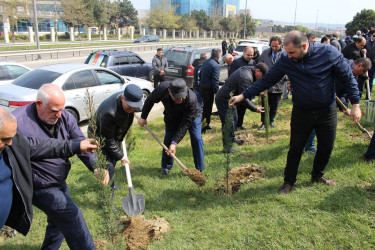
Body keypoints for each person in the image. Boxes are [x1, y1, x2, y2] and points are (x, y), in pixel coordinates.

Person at [230, 30, 361, 195]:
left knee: (326, 147)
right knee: (295, 148)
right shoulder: (286, 59)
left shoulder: (328, 53)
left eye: (292, 52)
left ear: (305, 46)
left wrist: (355, 104)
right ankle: (288, 182)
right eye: (287, 52)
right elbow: (267, 79)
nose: (289, 56)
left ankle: (317, 175)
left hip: (326, 111)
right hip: (302, 112)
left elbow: (348, 77)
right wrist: (243, 95)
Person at [12, 84, 104, 249]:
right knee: (72, 216)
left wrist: (95, 165)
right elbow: (41, 147)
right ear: (39, 104)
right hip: (38, 186)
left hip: (59, 180)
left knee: (57, 223)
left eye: (61, 109)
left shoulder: (65, 117)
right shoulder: (19, 123)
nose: (59, 114)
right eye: (54, 110)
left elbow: (80, 141)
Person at [0, 107, 98, 237]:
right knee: (69, 216)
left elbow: (40, 145)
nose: (11, 143)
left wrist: (76, 146)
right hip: (42, 185)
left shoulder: (11, 143)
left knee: (59, 221)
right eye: (5, 139)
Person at [138, 78, 204, 175]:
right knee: (168, 138)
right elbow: (150, 100)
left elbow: (185, 124)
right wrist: (143, 117)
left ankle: (199, 169)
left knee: (197, 138)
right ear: (170, 92)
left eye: (182, 96)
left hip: (192, 117)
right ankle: (166, 167)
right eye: (177, 97)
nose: (180, 99)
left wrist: (175, 142)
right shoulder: (162, 89)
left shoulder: (191, 99)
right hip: (172, 116)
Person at [89, 84, 143, 187]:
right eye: (129, 107)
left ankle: (111, 185)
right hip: (100, 137)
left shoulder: (128, 99)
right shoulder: (109, 113)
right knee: (107, 166)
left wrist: (119, 143)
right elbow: (107, 140)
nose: (131, 109)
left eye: (134, 107)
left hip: (112, 134)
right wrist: (121, 157)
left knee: (112, 161)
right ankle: (107, 194)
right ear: (123, 98)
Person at [215, 63, 267, 152]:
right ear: (258, 71)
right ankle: (227, 148)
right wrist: (255, 109)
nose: (261, 78)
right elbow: (243, 98)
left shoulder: (248, 71)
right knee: (228, 123)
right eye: (262, 76)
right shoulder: (246, 76)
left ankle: (231, 139)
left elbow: (245, 90)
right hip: (224, 100)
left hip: (232, 99)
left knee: (234, 119)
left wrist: (257, 93)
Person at [258, 36, 286, 130]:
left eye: (276, 46)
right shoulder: (265, 53)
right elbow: (259, 67)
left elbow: (289, 69)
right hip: (266, 84)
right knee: (264, 105)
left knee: (274, 105)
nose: (274, 48)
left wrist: (284, 78)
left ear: (281, 45)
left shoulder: (284, 54)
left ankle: (271, 121)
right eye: (272, 46)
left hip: (279, 85)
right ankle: (263, 122)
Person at [199, 48, 221, 132]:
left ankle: (206, 125)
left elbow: (200, 75)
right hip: (208, 89)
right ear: (218, 56)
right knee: (207, 109)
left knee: (206, 108)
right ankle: (204, 127)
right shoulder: (215, 65)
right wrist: (217, 93)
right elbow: (215, 80)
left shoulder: (206, 62)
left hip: (202, 87)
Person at [365, 30, 375, 96]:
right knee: (370, 79)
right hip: (371, 63)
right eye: (374, 36)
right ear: (371, 35)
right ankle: (369, 94)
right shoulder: (367, 43)